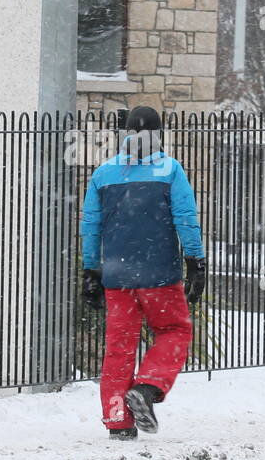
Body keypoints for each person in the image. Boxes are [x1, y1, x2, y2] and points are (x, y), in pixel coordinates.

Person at [80, 107, 206, 439]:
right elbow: (185, 219)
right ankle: (147, 388)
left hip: (117, 277)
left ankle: (118, 420)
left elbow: (90, 227)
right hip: (159, 273)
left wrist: (91, 270)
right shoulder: (170, 170)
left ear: (124, 136)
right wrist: (196, 262)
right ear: (158, 134)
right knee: (174, 331)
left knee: (119, 347)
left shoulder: (103, 174)